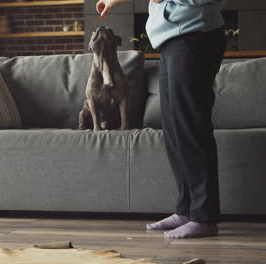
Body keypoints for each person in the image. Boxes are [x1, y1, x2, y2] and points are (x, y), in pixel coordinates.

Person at [95, 0, 227, 239]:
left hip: (195, 35)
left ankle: (204, 217)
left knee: (191, 128)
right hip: (174, 39)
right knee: (175, 130)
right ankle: (187, 209)